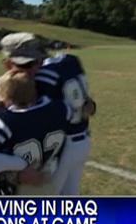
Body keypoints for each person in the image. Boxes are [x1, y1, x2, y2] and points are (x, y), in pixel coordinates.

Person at [0, 70, 72, 195]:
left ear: (7, 95)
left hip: (17, 190)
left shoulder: (0, 123)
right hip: (47, 181)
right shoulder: (60, 109)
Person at [35, 53, 97, 195]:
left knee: (49, 197)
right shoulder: (71, 61)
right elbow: (88, 106)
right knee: (71, 193)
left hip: (63, 145)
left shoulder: (46, 73)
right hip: (83, 140)